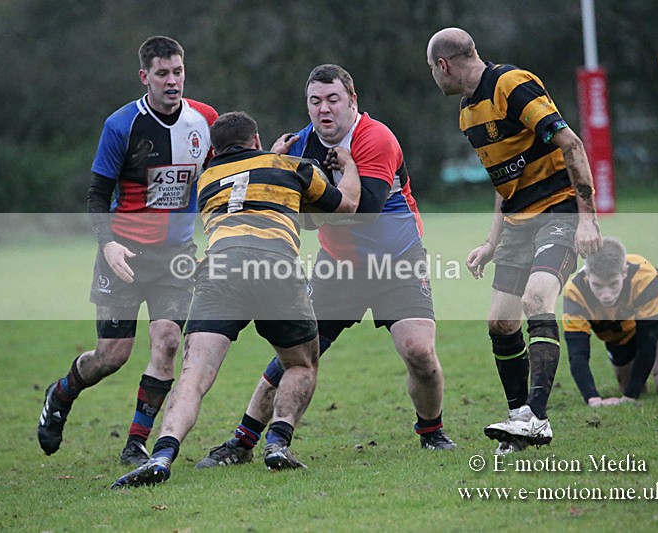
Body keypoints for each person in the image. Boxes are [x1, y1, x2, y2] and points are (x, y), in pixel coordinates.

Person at [195, 64, 455, 470]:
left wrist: (306, 203)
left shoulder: (376, 138)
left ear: (353, 100)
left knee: (419, 352)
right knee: (294, 355)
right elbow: (276, 207)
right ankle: (241, 442)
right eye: (315, 101)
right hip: (338, 268)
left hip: (399, 263)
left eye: (333, 99)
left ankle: (432, 431)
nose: (324, 109)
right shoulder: (298, 146)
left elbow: (363, 212)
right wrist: (271, 165)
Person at [110, 110, 361, 487]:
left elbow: (249, 184)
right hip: (274, 267)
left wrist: (271, 160)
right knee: (300, 363)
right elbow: (346, 207)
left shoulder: (207, 179)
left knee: (194, 374)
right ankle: (277, 442)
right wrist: (349, 163)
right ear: (256, 139)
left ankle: (161, 454)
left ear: (215, 149)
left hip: (220, 269)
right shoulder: (291, 166)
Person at [37, 36, 218, 466]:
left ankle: (136, 442)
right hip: (125, 254)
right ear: (145, 77)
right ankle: (61, 393)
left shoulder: (204, 120)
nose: (172, 81)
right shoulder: (122, 125)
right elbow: (97, 195)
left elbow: (218, 179)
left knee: (169, 341)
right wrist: (110, 244)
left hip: (175, 255)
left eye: (177, 72)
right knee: (111, 356)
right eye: (162, 74)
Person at [427, 28, 602, 454]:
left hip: (559, 211)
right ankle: (520, 417)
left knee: (537, 299)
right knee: (501, 323)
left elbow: (572, 143)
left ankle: (538, 419)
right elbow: (503, 181)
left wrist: (588, 221)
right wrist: (491, 242)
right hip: (519, 225)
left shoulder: (511, 84)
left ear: (443, 65)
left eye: (432, 70)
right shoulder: (467, 114)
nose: (434, 78)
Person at [563, 236, 658, 405]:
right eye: (597, 286)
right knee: (629, 384)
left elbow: (647, 340)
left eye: (613, 284)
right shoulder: (574, 293)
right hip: (619, 318)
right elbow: (577, 353)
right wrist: (592, 398)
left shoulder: (645, 278)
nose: (606, 295)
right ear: (587, 275)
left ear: (624, 272)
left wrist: (630, 397)